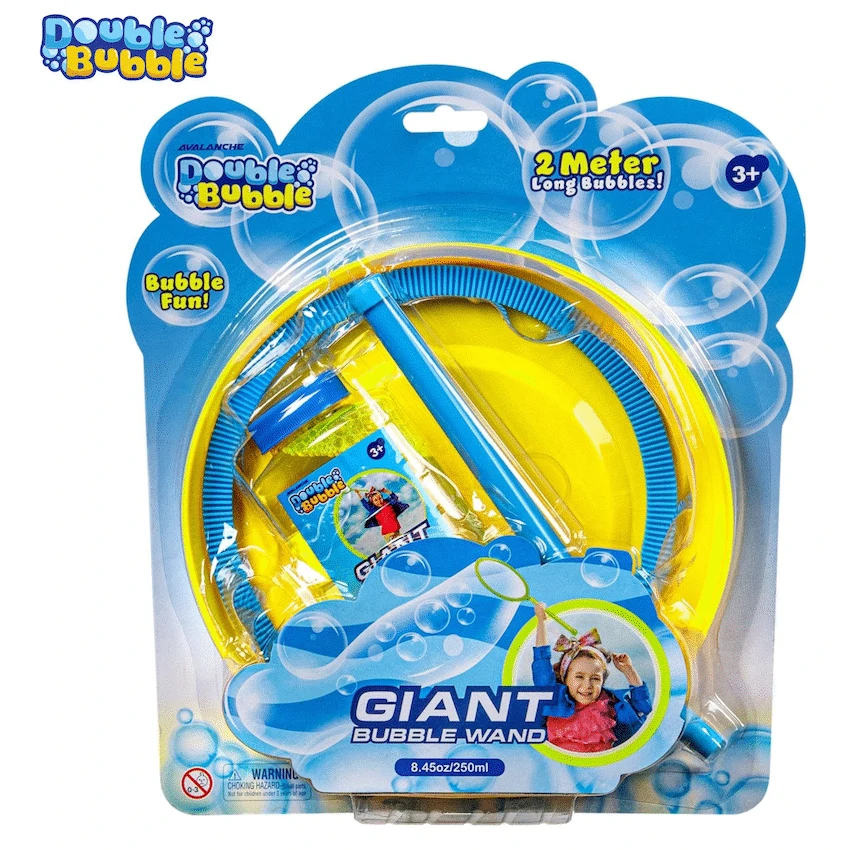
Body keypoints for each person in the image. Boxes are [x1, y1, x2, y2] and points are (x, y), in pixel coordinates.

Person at [531, 603, 651, 752]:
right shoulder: (555, 701)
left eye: (595, 678)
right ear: (565, 678)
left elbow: (643, 710)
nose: (587, 685)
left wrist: (628, 670)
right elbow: (541, 662)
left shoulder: (609, 707)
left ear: (603, 681)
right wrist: (541, 621)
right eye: (579, 676)